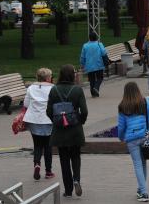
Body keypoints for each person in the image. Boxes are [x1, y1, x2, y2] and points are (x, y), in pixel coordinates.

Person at [46, 64, 88, 198]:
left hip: (60, 130)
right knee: (76, 156)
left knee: (64, 159)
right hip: (75, 129)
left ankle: (68, 189)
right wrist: (80, 120)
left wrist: (57, 120)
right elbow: (85, 111)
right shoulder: (77, 90)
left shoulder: (54, 90)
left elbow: (48, 111)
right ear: (72, 75)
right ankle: (77, 180)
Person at [118, 82, 149, 202]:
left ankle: (143, 192)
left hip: (131, 139)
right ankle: (142, 190)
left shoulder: (122, 106)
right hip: (145, 135)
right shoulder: (144, 102)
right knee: (143, 163)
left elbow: (121, 126)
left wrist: (121, 137)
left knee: (138, 164)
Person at [23, 68, 55, 180]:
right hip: (48, 121)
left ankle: (37, 164)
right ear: (47, 78)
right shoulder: (53, 89)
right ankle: (48, 171)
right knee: (48, 146)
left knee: (37, 145)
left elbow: (26, 104)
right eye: (50, 76)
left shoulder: (31, 88)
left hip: (34, 120)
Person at [80, 32, 107, 98]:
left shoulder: (85, 45)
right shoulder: (99, 44)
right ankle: (96, 88)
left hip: (89, 65)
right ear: (96, 37)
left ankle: (93, 94)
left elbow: (82, 56)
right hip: (99, 64)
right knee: (100, 78)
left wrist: (82, 64)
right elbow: (104, 53)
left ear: (89, 38)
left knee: (91, 79)